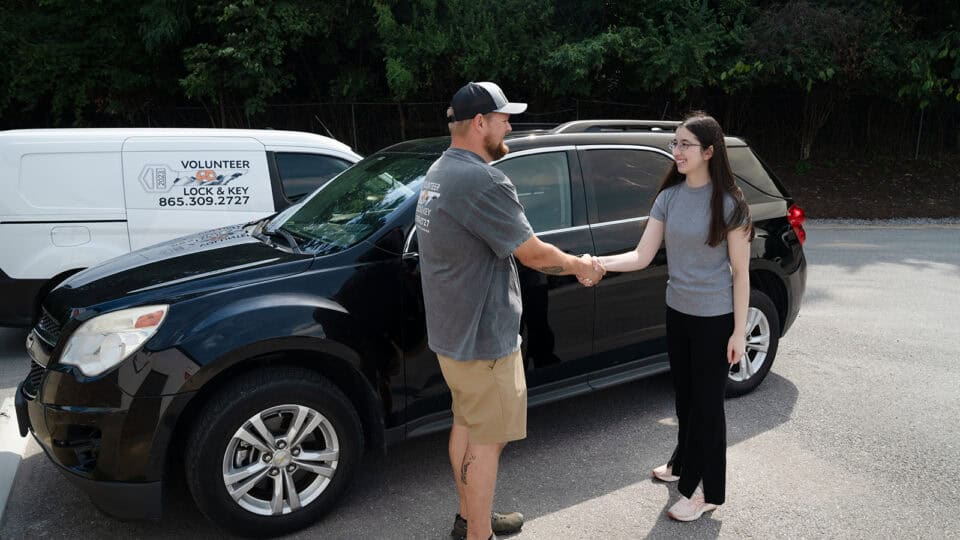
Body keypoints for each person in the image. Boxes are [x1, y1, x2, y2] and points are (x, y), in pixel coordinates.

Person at [416, 81, 604, 540]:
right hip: (484, 342)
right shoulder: (483, 179)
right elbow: (533, 254)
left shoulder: (439, 171)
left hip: (452, 336)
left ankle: (469, 518)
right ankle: (478, 533)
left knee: (467, 424)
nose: (510, 126)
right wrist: (580, 264)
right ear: (480, 123)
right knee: (488, 440)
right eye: (503, 118)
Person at [591, 112, 753, 522]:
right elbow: (642, 256)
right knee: (684, 399)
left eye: (685, 145)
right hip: (678, 313)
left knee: (708, 408)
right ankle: (682, 463)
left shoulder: (730, 205)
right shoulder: (669, 198)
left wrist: (738, 331)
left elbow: (741, 272)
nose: (676, 151)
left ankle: (707, 492)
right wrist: (598, 263)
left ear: (709, 152)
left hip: (714, 319)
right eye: (675, 143)